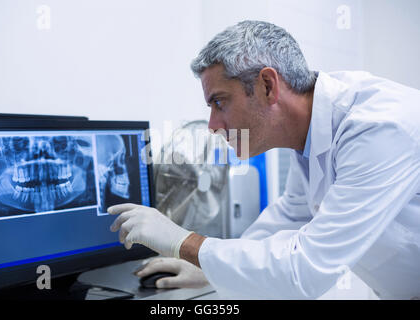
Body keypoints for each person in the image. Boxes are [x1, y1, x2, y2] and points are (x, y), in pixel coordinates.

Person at [108, 20, 420, 299]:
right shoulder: (311, 131)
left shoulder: (379, 128)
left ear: (267, 86)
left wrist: (185, 242)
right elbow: (291, 214)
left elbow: (303, 272)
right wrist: (207, 267)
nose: (212, 125)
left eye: (219, 102)